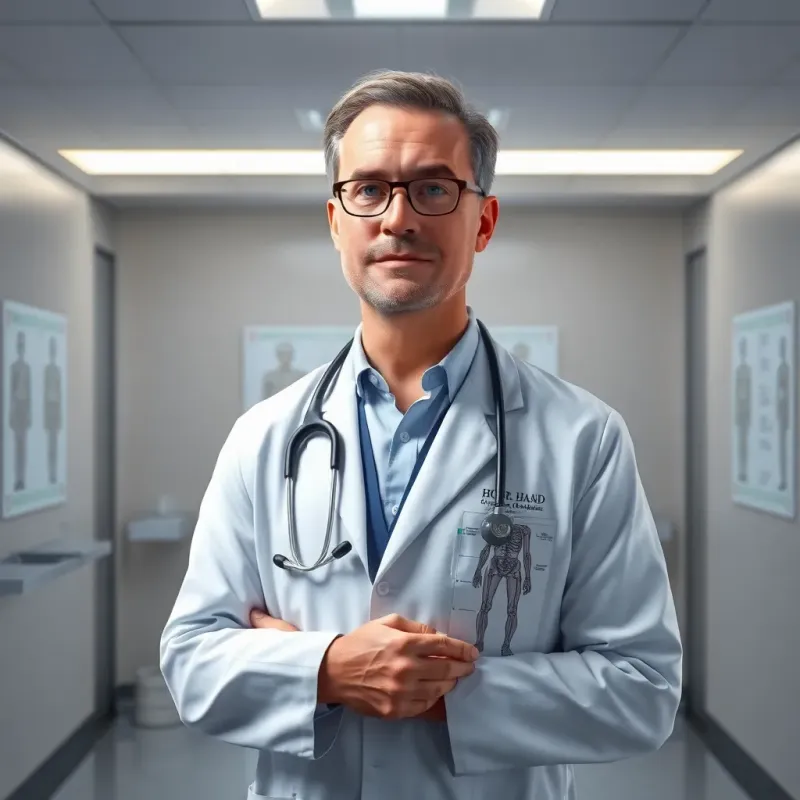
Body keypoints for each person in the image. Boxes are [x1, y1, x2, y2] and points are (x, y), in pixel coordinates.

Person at [160, 70, 682, 800]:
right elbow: (191, 661)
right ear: (336, 221)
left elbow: (642, 688)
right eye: (368, 189)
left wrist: (441, 693)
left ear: (484, 221)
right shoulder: (265, 436)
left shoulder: (583, 438)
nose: (397, 218)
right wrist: (332, 668)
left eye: (434, 189)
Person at [9, 330, 32, 492]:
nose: (21, 348)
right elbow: (11, 392)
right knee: (17, 445)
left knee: (23, 446)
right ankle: (17, 479)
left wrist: (29, 412)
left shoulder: (27, 368)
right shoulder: (14, 367)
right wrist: (11, 411)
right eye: (20, 345)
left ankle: (22, 479)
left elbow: (29, 392)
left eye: (23, 345)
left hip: (24, 406)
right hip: (17, 406)